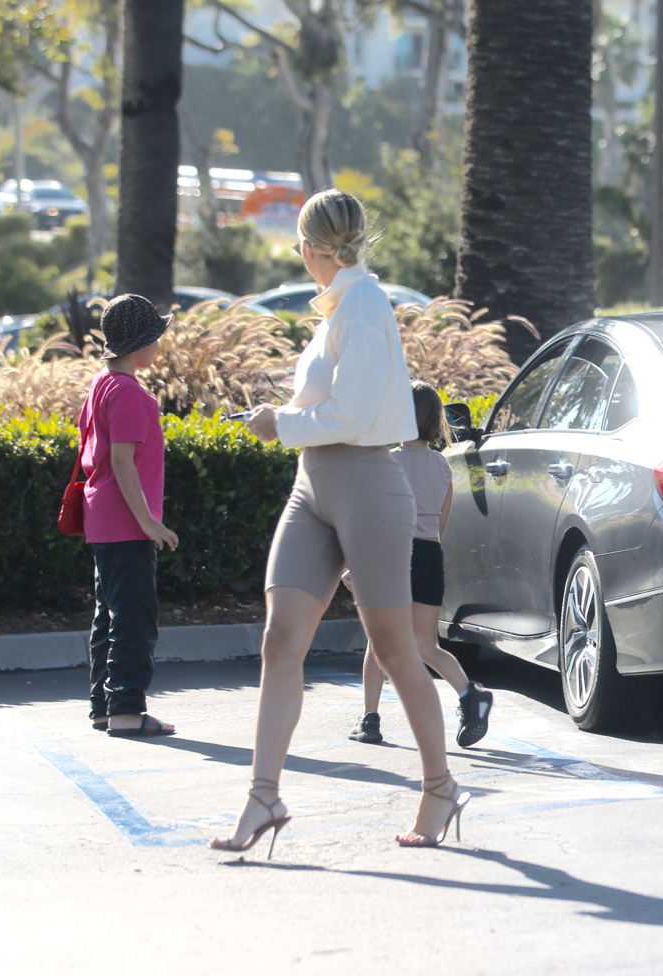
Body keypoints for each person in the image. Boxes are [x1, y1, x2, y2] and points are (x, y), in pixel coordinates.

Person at [209, 189, 469, 857]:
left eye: (299, 246)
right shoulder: (336, 313)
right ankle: (263, 796)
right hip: (313, 488)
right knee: (279, 640)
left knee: (395, 653)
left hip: (367, 487)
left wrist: (278, 423)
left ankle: (440, 787)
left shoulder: (364, 304)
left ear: (312, 248)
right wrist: (286, 416)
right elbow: (330, 404)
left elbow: (353, 415)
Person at [346, 380, 494, 750]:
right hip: (429, 556)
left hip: (392, 556)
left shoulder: (387, 461)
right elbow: (440, 525)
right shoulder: (443, 466)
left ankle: (370, 720)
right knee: (427, 646)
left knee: (378, 643)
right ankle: (469, 695)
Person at [79, 294, 180, 737]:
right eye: (156, 337)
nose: (159, 345)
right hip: (126, 523)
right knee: (135, 618)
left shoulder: (102, 384)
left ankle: (104, 707)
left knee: (110, 615)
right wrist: (148, 522)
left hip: (102, 518)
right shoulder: (130, 393)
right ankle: (125, 711)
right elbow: (122, 461)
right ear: (140, 343)